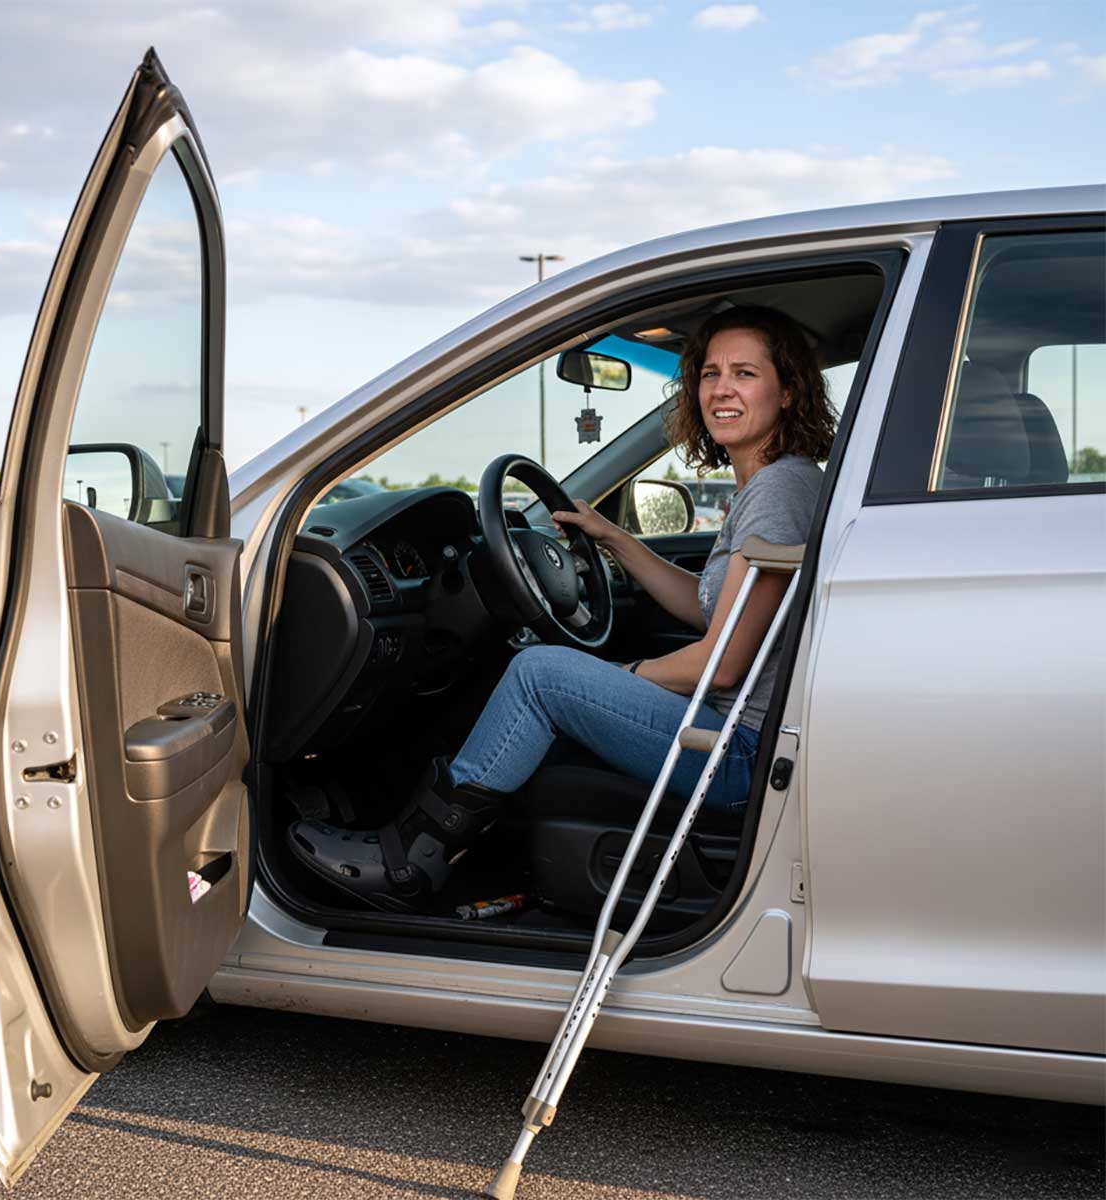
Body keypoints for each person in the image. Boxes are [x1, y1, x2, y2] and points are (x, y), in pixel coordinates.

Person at [291, 305, 837, 912]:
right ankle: (439, 840)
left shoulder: (777, 491)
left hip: (737, 755)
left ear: (789, 391)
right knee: (550, 683)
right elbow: (709, 609)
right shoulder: (777, 483)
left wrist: (625, 675)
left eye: (745, 373)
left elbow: (724, 664)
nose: (721, 389)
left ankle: (411, 861)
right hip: (734, 736)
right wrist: (614, 539)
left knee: (538, 674)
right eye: (711, 373)